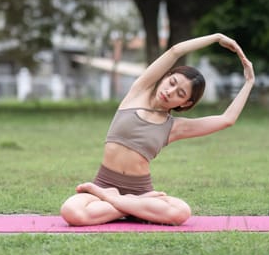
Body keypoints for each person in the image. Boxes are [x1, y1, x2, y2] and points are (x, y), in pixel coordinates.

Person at [60, 33, 255, 226]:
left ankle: (118, 201)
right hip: (104, 183)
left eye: (180, 93)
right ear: (165, 77)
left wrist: (249, 83)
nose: (170, 92)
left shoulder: (174, 127)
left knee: (181, 212)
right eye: (172, 83)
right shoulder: (138, 92)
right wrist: (216, 37)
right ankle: (135, 208)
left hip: (140, 192)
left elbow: (227, 119)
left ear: (185, 103)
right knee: (72, 212)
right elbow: (175, 51)